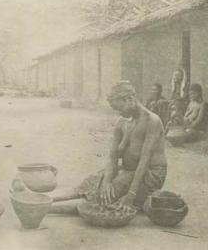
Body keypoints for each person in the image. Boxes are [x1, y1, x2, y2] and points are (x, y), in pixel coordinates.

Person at [49, 81, 167, 213]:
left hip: (150, 174)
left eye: (120, 108)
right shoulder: (122, 122)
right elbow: (113, 158)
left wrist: (131, 195)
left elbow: (144, 161)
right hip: (128, 170)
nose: (120, 114)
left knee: (102, 199)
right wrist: (106, 182)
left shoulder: (152, 121)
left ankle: (44, 208)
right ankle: (44, 199)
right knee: (90, 183)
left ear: (129, 99)